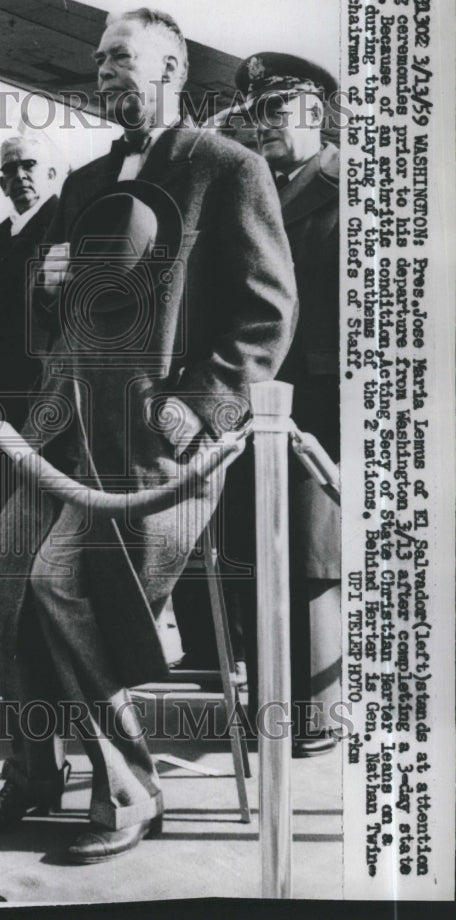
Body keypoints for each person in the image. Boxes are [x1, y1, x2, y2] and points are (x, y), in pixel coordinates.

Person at [0, 8, 297, 863]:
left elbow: (267, 312)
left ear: (173, 66)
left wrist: (201, 405)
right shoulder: (83, 180)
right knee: (6, 576)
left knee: (64, 583)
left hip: (165, 455)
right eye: (98, 61)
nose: (105, 72)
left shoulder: (227, 167)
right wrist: (48, 286)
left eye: (122, 57)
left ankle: (128, 787)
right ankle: (33, 772)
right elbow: (56, 325)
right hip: (66, 439)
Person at [226, 52, 341, 757]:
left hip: (320, 410)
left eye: (274, 111)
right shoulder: (256, 187)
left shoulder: (350, 185)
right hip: (255, 404)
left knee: (308, 557)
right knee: (255, 553)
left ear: (313, 111)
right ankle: (270, 703)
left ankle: (316, 713)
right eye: (254, 115)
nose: (261, 127)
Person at [0, 131, 60, 429]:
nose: (19, 175)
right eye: (9, 169)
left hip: (43, 390)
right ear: (2, 184)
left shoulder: (66, 226)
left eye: (29, 165)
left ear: (51, 174)